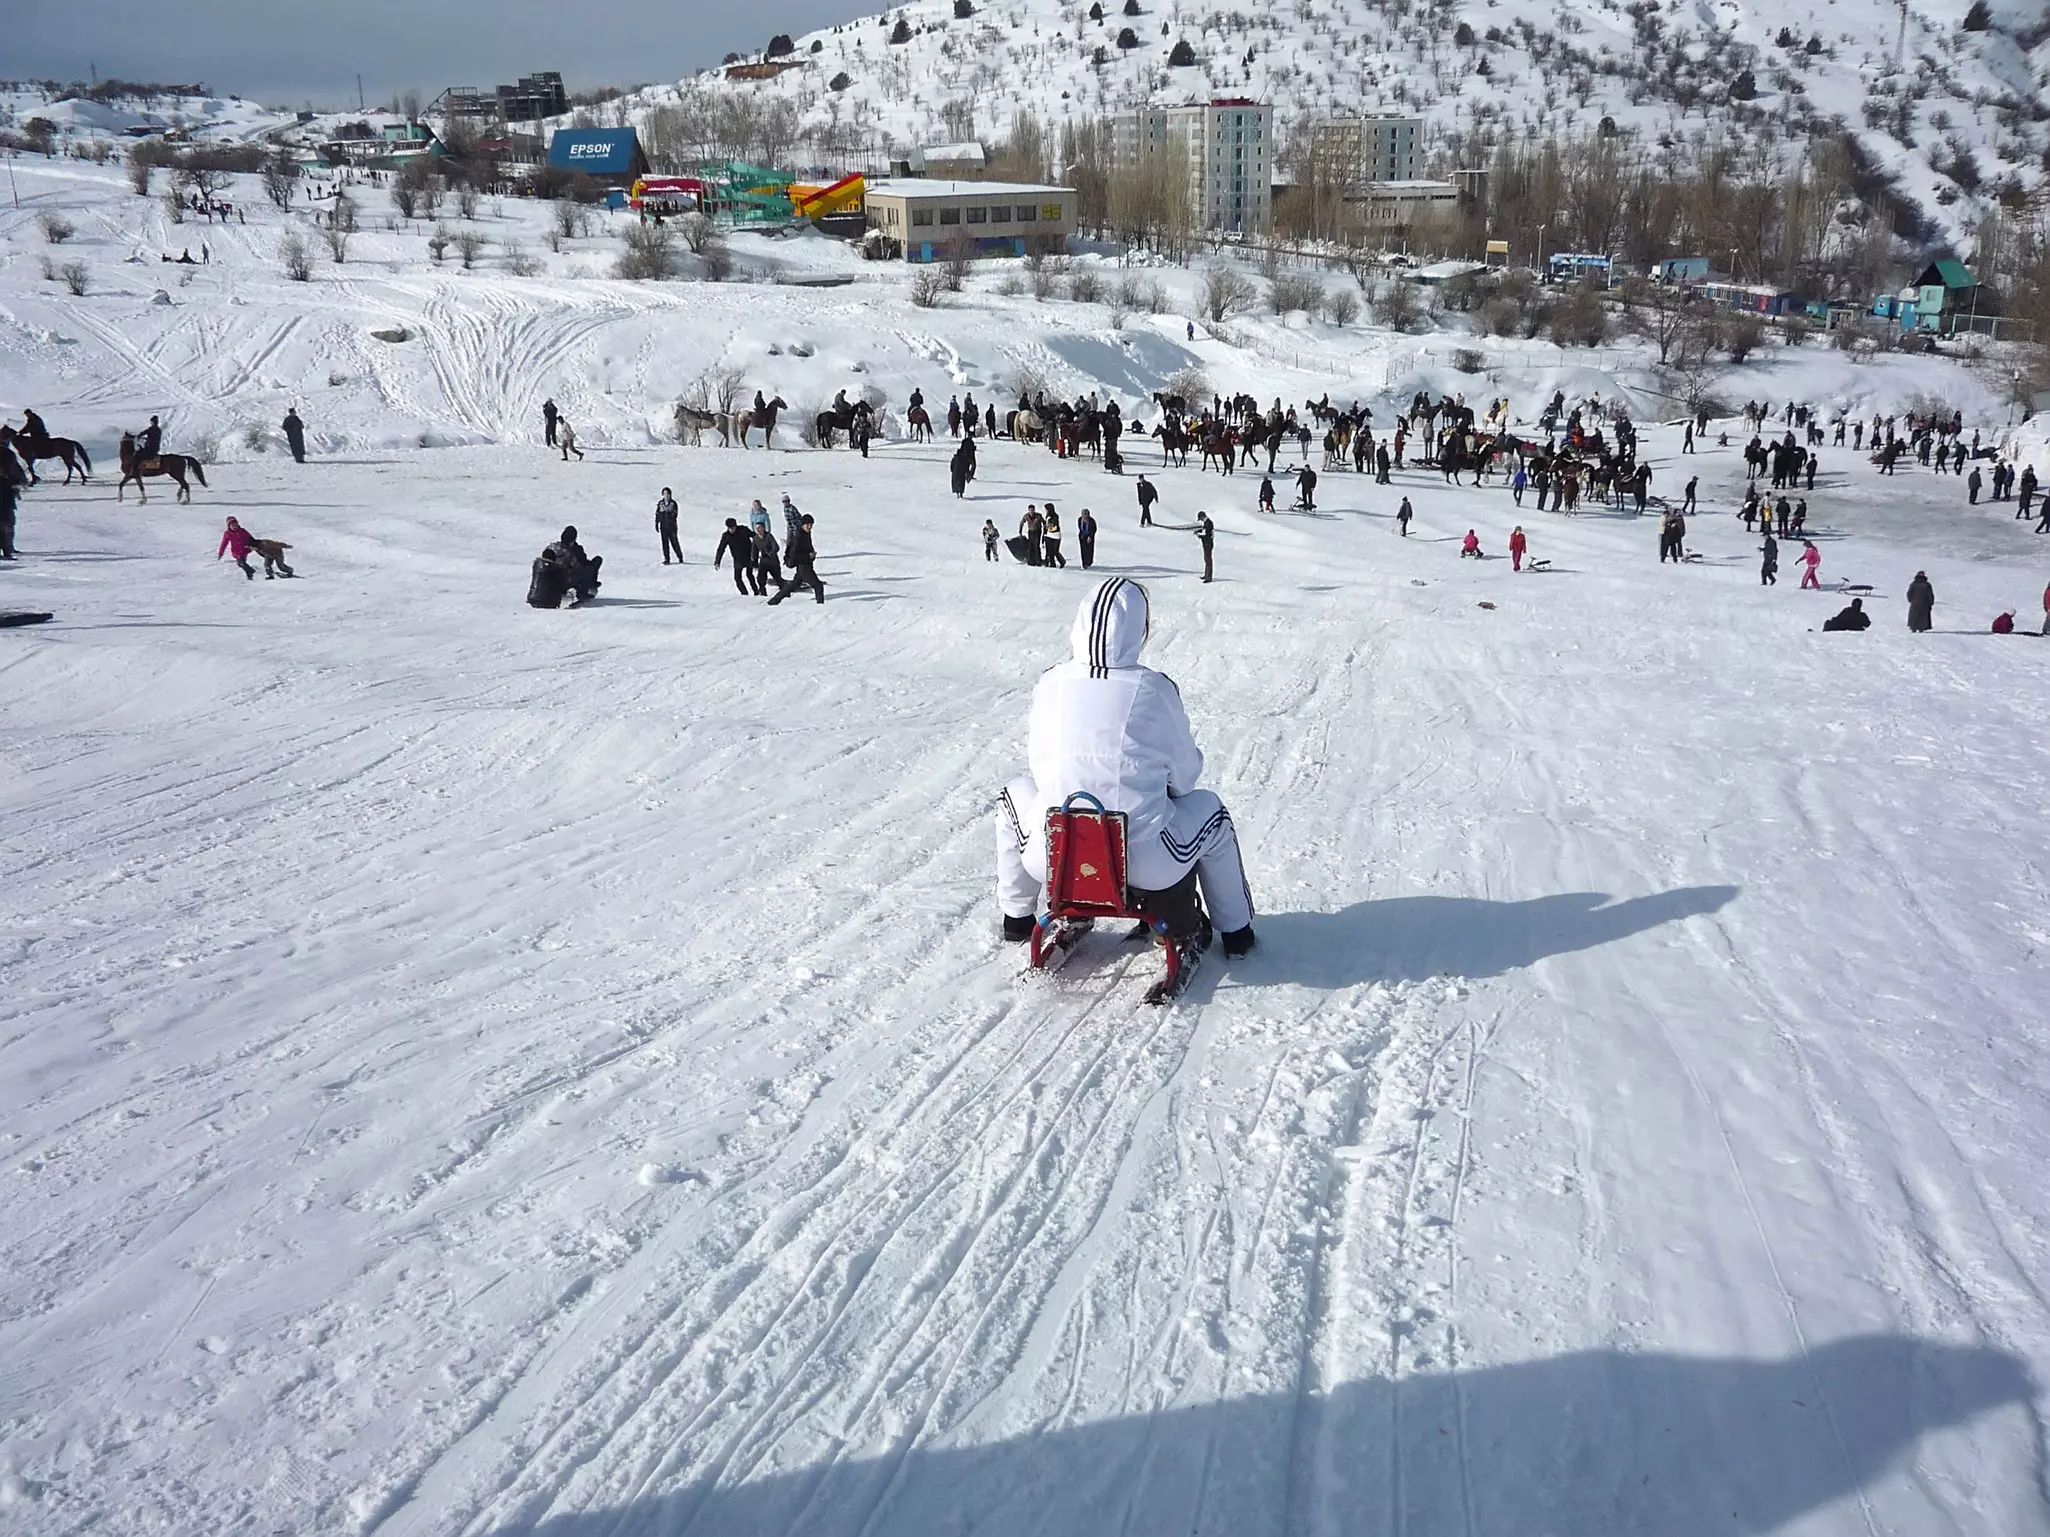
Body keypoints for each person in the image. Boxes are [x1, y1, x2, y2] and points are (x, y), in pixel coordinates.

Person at [994, 577, 1256, 960]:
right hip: (1145, 859)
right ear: (1139, 629)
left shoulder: (1051, 682)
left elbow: (1038, 766)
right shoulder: (1153, 688)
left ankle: (1017, 917)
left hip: (1056, 854)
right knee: (1211, 813)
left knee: (1013, 794)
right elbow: (1185, 776)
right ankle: (1237, 931)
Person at [769, 513, 825, 604]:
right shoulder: (798, 537)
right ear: (803, 525)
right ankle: (820, 607)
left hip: (804, 566)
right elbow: (794, 555)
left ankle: (774, 601)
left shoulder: (806, 534)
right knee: (818, 586)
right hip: (804, 567)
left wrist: (811, 555)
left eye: (811, 525)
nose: (810, 526)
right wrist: (808, 556)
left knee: (793, 585)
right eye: (808, 524)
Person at [546, 525, 601, 603]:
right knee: (589, 569)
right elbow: (579, 567)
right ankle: (584, 592)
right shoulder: (570, 552)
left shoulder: (552, 547)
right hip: (565, 581)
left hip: (552, 581)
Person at [714, 518, 755, 593]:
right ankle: (744, 593)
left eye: (733, 527)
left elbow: (755, 537)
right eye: (730, 528)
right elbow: (721, 549)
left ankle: (756, 591)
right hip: (738, 559)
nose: (732, 529)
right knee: (737, 578)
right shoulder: (726, 536)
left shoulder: (743, 530)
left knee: (749, 575)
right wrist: (717, 561)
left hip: (748, 556)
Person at [217, 515, 259, 579]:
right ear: (229, 526)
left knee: (242, 563)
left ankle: (250, 574)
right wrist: (220, 553)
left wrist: (255, 545)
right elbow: (224, 544)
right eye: (232, 526)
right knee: (241, 564)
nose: (234, 527)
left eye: (235, 525)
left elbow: (250, 538)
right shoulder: (227, 533)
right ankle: (250, 572)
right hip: (236, 551)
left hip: (245, 549)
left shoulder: (242, 531)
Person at [656, 487, 682, 565]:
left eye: (667, 493)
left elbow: (675, 514)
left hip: (671, 527)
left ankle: (680, 556)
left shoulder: (673, 503)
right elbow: (657, 514)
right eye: (664, 494)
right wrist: (657, 523)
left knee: (674, 543)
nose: (666, 495)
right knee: (665, 543)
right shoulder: (660, 503)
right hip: (663, 526)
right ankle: (667, 558)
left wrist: (669, 516)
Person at [1195, 511, 1215, 582]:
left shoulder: (1208, 523)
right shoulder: (1207, 523)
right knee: (1206, 559)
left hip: (1208, 543)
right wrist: (1198, 531)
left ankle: (1209, 577)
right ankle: (1206, 575)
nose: (1201, 520)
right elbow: (1204, 530)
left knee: (1208, 560)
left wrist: (1199, 536)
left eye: (1201, 519)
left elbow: (1207, 534)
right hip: (1206, 543)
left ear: (1203, 517)